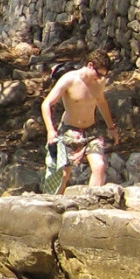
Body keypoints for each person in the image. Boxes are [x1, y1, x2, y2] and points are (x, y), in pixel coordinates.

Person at [41, 51, 117, 192]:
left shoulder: (99, 82)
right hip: (70, 131)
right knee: (64, 175)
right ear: (90, 65)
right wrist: (50, 130)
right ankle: (56, 205)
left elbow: (101, 102)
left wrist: (111, 127)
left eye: (104, 76)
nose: (101, 78)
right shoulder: (69, 80)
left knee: (99, 166)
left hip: (91, 131)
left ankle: (92, 203)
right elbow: (46, 104)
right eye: (99, 74)